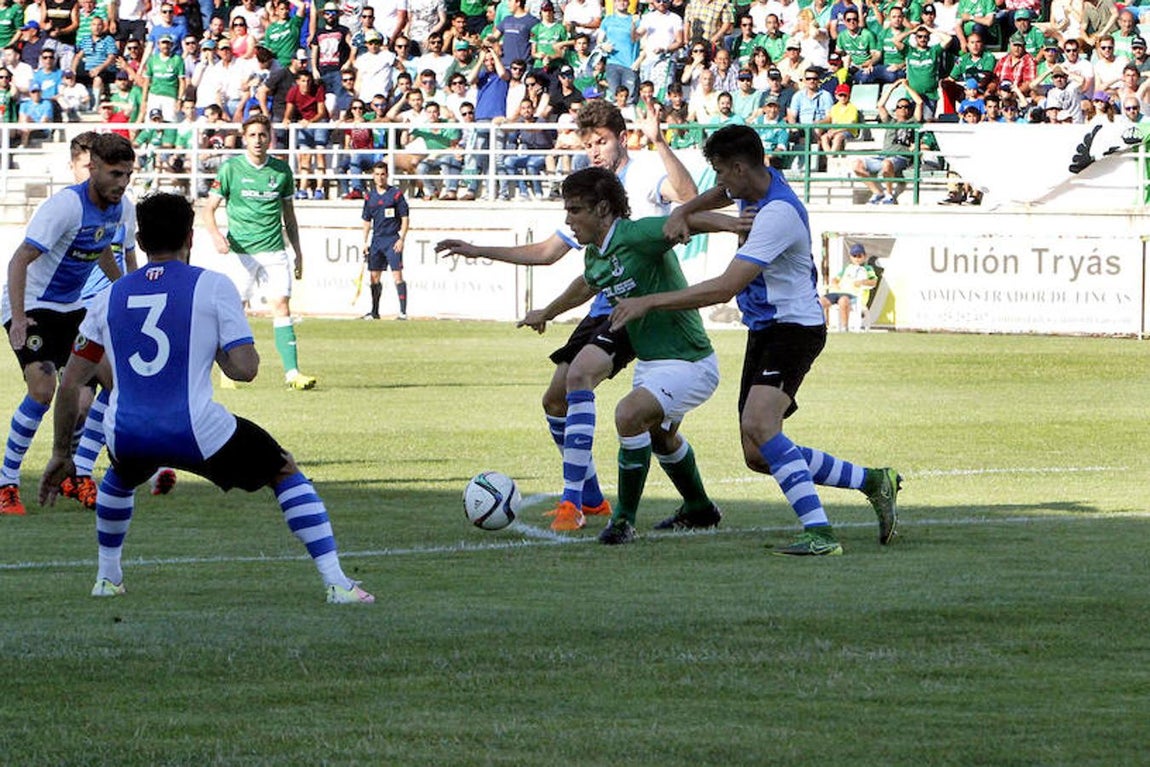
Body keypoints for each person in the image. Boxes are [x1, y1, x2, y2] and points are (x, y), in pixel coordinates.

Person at [38, 192, 373, 605]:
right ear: (190, 238)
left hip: (128, 432)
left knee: (120, 477)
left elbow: (71, 384)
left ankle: (107, 579)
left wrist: (60, 452)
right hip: (196, 428)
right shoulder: (212, 286)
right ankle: (337, 582)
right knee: (282, 468)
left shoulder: (110, 296)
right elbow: (244, 370)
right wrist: (215, 346)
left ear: (140, 242)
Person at [610, 124, 901, 555]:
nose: (721, 183)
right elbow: (715, 197)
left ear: (741, 168)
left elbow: (724, 288)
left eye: (723, 173)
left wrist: (649, 302)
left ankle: (820, 534)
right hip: (766, 328)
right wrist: (681, 211)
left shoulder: (776, 214)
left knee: (759, 426)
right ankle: (873, 481)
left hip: (794, 328)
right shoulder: (758, 182)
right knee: (758, 453)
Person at [435, 100, 698, 532]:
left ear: (621, 137)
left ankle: (572, 504)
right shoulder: (589, 194)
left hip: (637, 305)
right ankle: (593, 500)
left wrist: (660, 141)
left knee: (582, 379)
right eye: (587, 143)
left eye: (602, 141)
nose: (594, 150)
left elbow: (687, 199)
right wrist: (479, 249)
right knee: (555, 399)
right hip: (601, 305)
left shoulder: (648, 173)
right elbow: (546, 252)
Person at [517, 167, 730, 545]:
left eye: (576, 210)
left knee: (629, 415)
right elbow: (584, 286)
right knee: (662, 438)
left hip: (690, 361)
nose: (568, 219)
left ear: (602, 209)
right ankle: (700, 508)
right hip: (652, 365)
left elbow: (689, 219)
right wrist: (546, 312)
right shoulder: (596, 256)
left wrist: (737, 227)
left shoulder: (638, 234)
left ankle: (622, 521)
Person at [0, 133, 133, 516]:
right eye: (114, 174)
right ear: (93, 169)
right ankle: (8, 482)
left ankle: (80, 472)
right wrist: (20, 318)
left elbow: (103, 247)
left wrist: (125, 291)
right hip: (32, 301)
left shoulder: (119, 207)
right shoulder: (64, 207)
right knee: (43, 388)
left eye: (127, 175)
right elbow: (18, 260)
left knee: (111, 381)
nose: (121, 183)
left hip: (72, 306)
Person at [203, 113, 318, 391]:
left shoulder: (281, 171)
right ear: (245, 138)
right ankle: (229, 371)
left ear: (270, 138)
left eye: (262, 135)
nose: (258, 140)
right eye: (252, 135)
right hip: (241, 252)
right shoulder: (231, 169)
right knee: (236, 310)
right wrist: (217, 237)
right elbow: (208, 210)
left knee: (281, 305)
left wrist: (298, 252)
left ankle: (292, 374)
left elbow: (289, 216)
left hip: (275, 250)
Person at [853, 83, 922, 204]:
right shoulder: (891, 121)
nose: (903, 109)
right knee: (857, 165)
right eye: (899, 107)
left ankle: (889, 195)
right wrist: (892, 87)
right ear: (896, 109)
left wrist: (906, 86)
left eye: (906, 107)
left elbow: (919, 102)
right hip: (883, 156)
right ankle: (878, 193)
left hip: (900, 157)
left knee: (887, 163)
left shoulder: (913, 121)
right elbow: (880, 105)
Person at [360, 162, 409, 320]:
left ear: (387, 175)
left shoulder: (395, 195)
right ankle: (374, 312)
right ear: (373, 176)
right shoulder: (370, 196)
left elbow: (405, 218)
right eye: (377, 174)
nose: (380, 178)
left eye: (383, 174)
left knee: (397, 276)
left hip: (392, 240)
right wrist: (364, 241)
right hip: (376, 241)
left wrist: (401, 238)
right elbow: (367, 220)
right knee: (374, 277)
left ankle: (402, 312)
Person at [821, 242, 877, 330]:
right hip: (839, 292)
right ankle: (820, 326)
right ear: (851, 257)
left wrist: (862, 282)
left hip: (854, 295)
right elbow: (835, 279)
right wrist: (835, 283)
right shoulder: (847, 268)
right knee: (821, 301)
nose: (857, 258)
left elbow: (873, 282)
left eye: (859, 256)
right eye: (854, 256)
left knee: (843, 300)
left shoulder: (868, 268)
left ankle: (844, 327)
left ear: (864, 256)